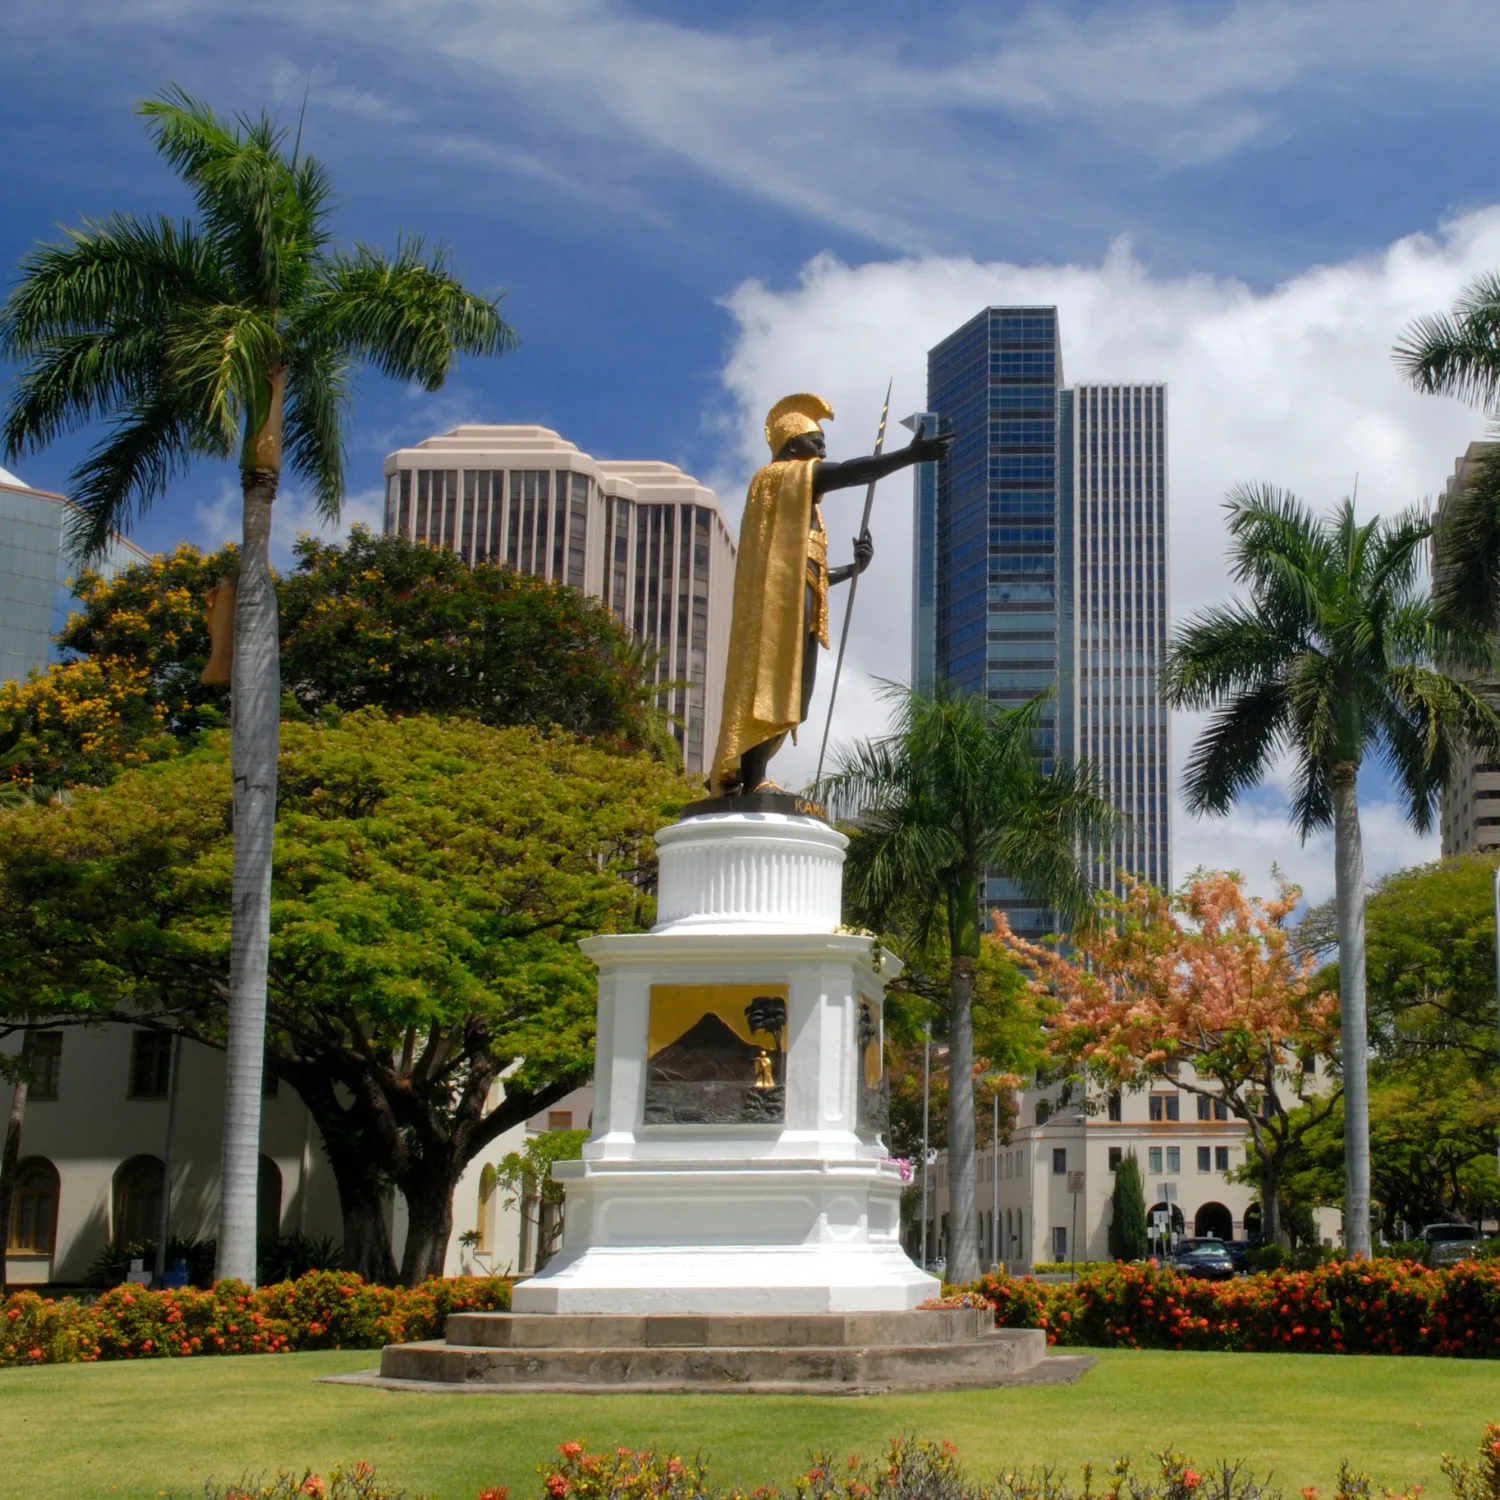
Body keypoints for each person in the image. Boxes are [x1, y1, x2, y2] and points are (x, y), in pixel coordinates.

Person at [710, 394, 953, 794]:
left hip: (799, 605)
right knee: (770, 687)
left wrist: (852, 569)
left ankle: (751, 778)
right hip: (777, 613)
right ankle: (752, 782)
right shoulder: (778, 476)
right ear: (792, 446)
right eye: (816, 442)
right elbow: (849, 473)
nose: (823, 450)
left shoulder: (805, 509)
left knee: (796, 700)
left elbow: (809, 574)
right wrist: (908, 457)